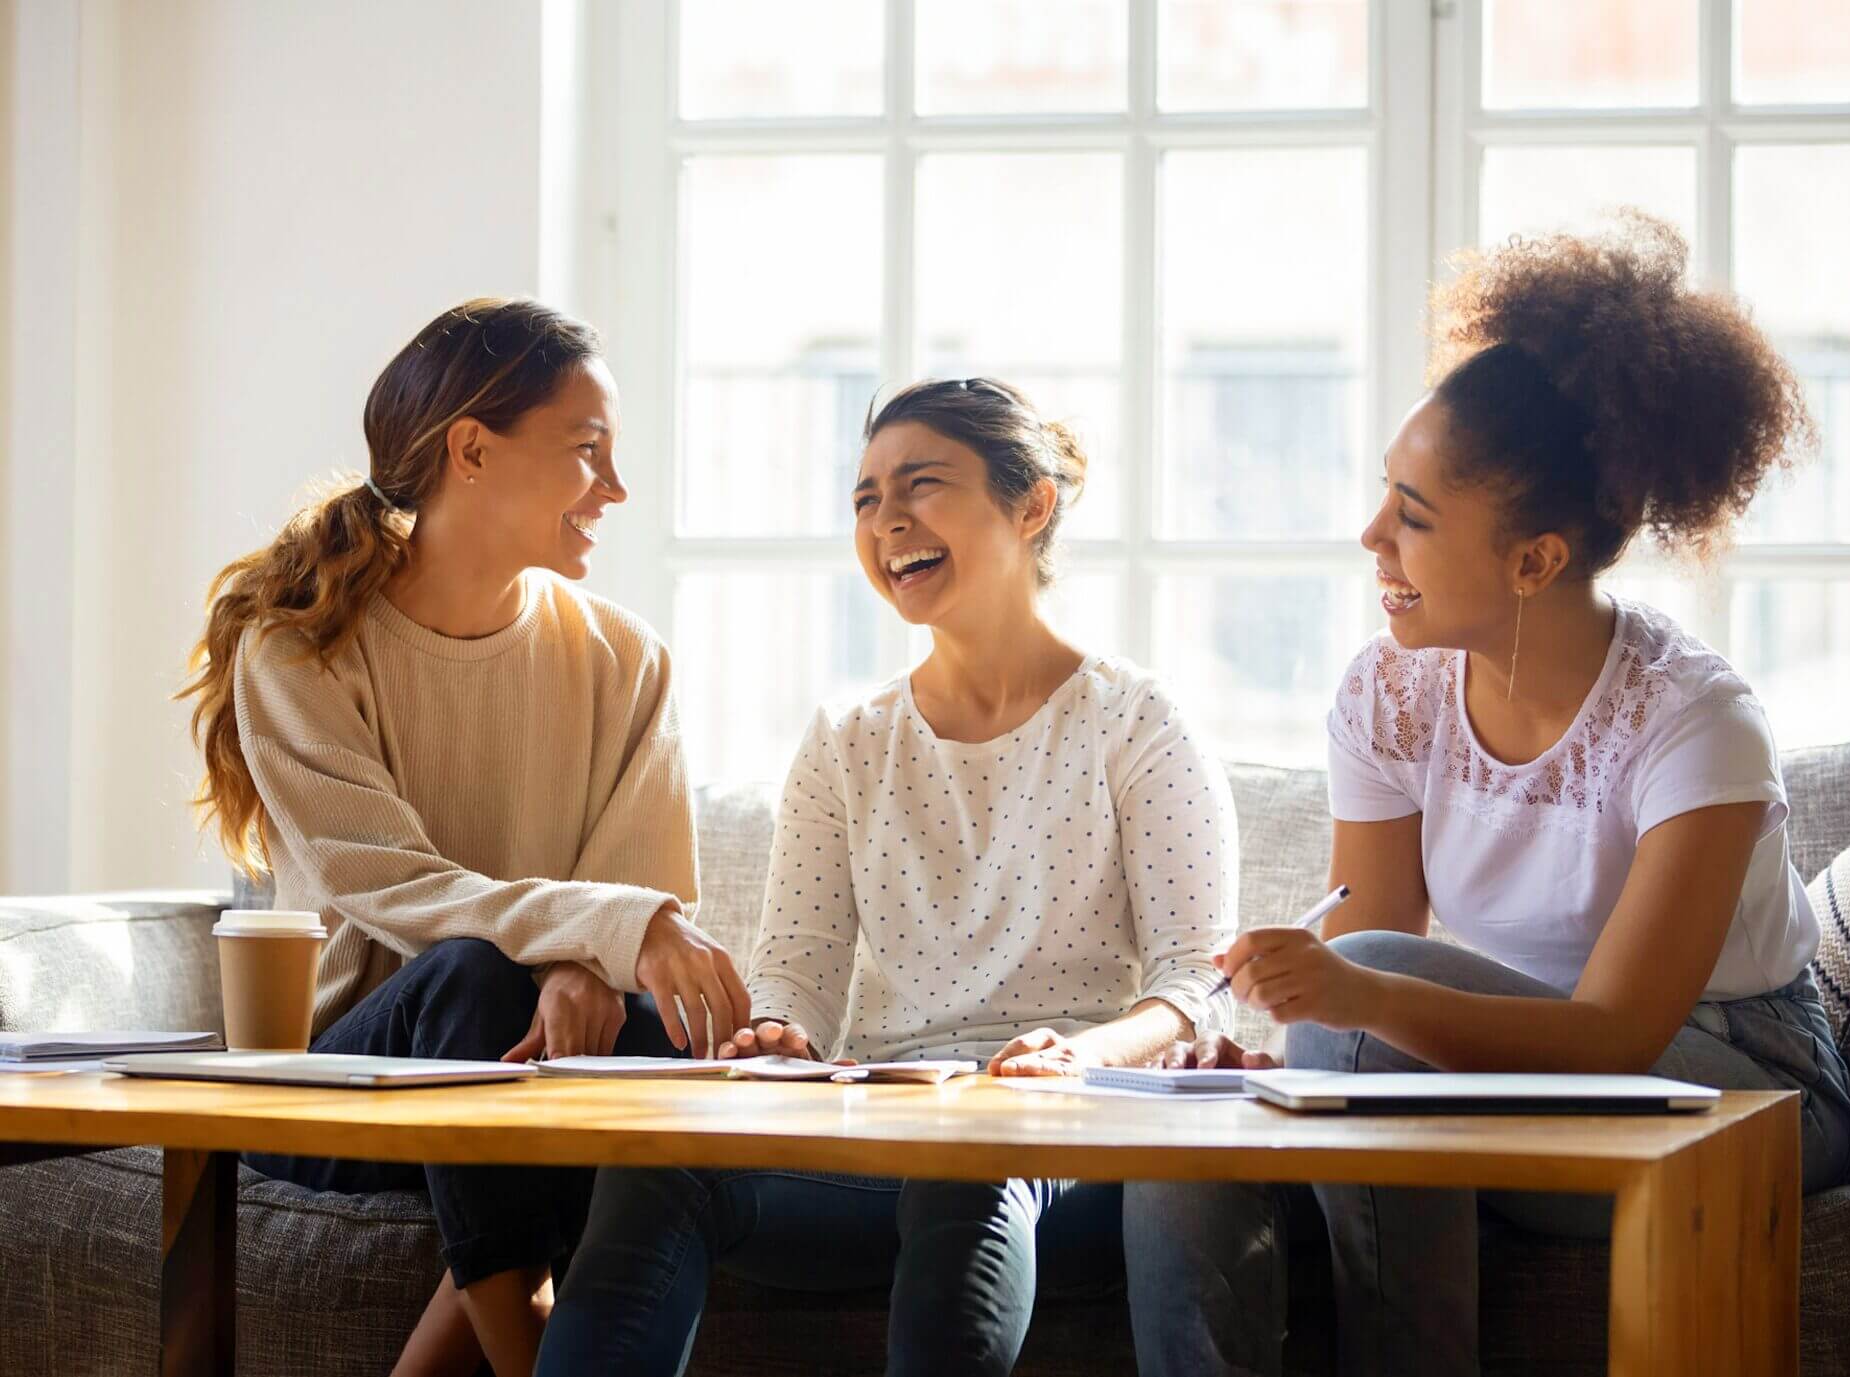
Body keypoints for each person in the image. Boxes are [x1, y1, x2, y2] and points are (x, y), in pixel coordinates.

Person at [1122, 213, 1850, 1377]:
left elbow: (1611, 1034)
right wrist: (1285, 1051)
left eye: (1412, 519)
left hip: (1735, 1092)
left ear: (1535, 561)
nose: (1370, 537)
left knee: (1369, 1002)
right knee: (1190, 1155)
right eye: (1385, 497)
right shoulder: (1388, 696)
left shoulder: (1692, 721)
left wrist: (1343, 1004)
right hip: (1496, 1079)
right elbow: (1361, 954)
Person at [536, 377, 1241, 1377]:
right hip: (876, 1136)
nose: (886, 521)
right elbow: (798, 967)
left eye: (922, 484)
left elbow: (1194, 980)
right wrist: (777, 1037)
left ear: (1029, 504)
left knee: (970, 1154)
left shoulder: (1133, 722)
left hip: (1065, 1150)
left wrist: (1077, 1060)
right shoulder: (848, 741)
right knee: (663, 1158)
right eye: (865, 498)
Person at [179, 298, 749, 1377]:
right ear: (472, 451)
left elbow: (640, 896)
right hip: (342, 1090)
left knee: (666, 1037)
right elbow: (387, 883)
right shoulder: (298, 649)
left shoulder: (626, 659)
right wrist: (578, 942)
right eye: (589, 453)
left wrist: (583, 962)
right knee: (470, 977)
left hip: (538, 1066)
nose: (616, 491)